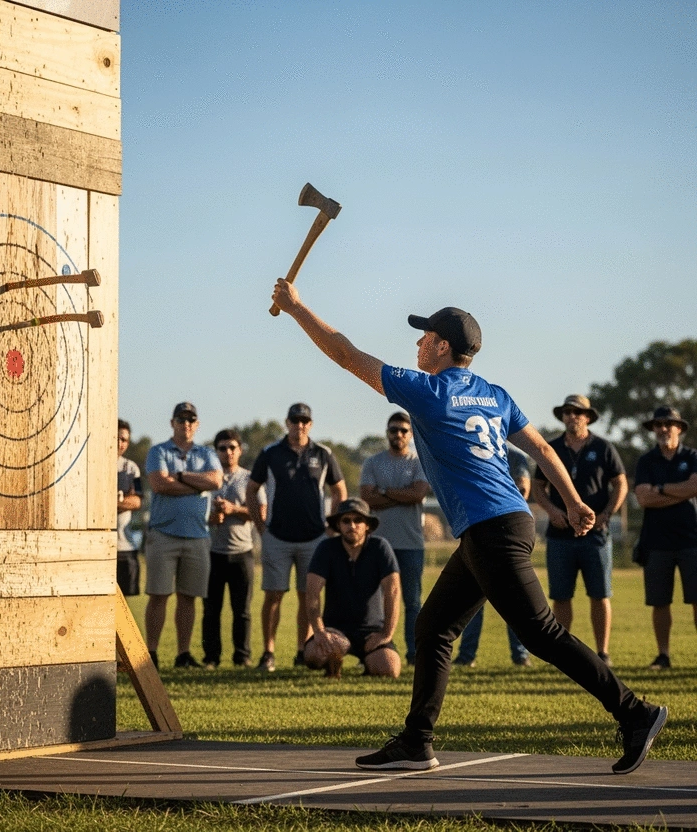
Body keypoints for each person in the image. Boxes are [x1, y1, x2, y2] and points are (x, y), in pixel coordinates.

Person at [271, 278, 666, 776]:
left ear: (441, 346)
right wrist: (573, 502)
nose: (416, 344)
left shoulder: (428, 391)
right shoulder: (493, 394)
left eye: (423, 337)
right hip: (507, 523)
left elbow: (347, 355)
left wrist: (296, 307)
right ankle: (417, 742)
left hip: (492, 529)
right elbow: (542, 450)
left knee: (542, 634)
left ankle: (636, 713)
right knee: (433, 628)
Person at [246, 403, 347, 672]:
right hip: (276, 536)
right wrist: (260, 527)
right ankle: (268, 652)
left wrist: (331, 528)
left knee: (308, 597)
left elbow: (340, 491)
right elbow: (252, 490)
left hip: (315, 538)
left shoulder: (323, 453)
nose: (299, 425)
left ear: (310, 425)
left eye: (304, 421)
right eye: (295, 420)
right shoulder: (270, 453)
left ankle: (303, 650)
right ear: (286, 422)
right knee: (273, 595)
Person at [531, 394, 628, 666]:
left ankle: (603, 653)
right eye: (567, 412)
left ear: (588, 417)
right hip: (560, 534)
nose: (571, 416)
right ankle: (563, 655)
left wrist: (607, 513)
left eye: (577, 412)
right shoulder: (551, 449)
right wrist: (552, 511)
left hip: (595, 535)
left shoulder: (604, 448)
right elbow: (538, 487)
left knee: (600, 594)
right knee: (561, 596)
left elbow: (620, 483)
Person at [144, 402, 223, 670]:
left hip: (198, 536)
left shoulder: (207, 453)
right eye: (181, 419)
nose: (186, 424)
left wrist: (179, 477)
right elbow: (158, 484)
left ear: (197, 424)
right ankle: (151, 654)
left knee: (188, 597)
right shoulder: (158, 451)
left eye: (191, 419)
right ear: (172, 423)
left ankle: (183, 654)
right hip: (163, 534)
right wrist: (194, 485)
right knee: (159, 595)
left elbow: (215, 482)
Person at [359, 411, 429, 665]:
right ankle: (374, 650)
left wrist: (385, 492)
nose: (397, 435)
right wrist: (402, 494)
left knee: (412, 601)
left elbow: (418, 495)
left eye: (403, 430)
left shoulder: (419, 462)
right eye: (393, 430)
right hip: (377, 545)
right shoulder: (372, 463)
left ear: (410, 435)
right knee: (374, 603)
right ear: (386, 433)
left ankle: (414, 653)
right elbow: (366, 498)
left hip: (411, 545)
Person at [304, 498, 402, 679]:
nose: (352, 525)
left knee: (390, 669)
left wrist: (386, 634)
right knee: (312, 656)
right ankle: (333, 662)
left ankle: (368, 662)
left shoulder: (380, 547)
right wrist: (319, 631)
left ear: (367, 526)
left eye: (358, 520)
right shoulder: (326, 548)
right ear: (338, 525)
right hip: (336, 629)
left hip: (372, 630)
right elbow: (312, 593)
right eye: (346, 520)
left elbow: (393, 591)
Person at [453, 445, 531, 667]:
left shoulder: (516, 456)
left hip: (508, 533)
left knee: (514, 598)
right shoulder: (470, 449)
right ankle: (467, 655)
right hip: (476, 531)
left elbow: (523, 488)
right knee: (473, 598)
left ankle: (520, 655)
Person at [633, 406, 697, 670]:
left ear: (679, 428)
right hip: (656, 541)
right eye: (658, 424)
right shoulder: (646, 461)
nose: (662, 429)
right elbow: (643, 498)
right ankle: (663, 655)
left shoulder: (692, 457)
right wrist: (678, 492)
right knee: (660, 602)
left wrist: (659, 489)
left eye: (668, 424)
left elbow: (695, 486)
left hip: (692, 540)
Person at [201, 429, 265, 669]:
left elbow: (261, 514)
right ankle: (211, 658)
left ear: (240, 450)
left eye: (232, 447)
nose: (227, 452)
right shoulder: (208, 480)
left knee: (243, 610)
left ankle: (242, 656)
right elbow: (199, 515)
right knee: (211, 610)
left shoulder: (251, 479)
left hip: (242, 552)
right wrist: (214, 515)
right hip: (213, 552)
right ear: (215, 451)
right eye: (222, 448)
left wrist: (233, 509)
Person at [117, 419, 143, 595]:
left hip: (125, 547)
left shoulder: (132, 468)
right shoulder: (92, 464)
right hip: (97, 547)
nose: (119, 443)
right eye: (115, 438)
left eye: (124, 439)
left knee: (123, 608)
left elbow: (137, 501)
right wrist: (124, 501)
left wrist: (112, 502)